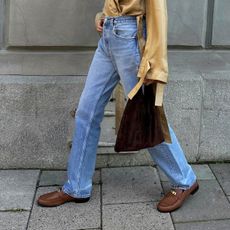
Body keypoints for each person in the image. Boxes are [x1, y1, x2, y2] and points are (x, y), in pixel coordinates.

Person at [37, 0, 199, 213]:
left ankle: (185, 179)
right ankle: (77, 186)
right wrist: (103, 16)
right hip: (108, 38)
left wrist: (155, 64)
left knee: (145, 115)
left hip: (130, 38)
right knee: (86, 111)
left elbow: (158, 9)